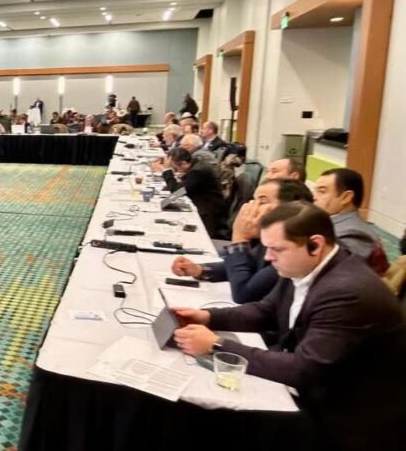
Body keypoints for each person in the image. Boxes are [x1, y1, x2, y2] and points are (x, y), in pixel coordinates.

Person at [171, 202, 406, 450]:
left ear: (315, 245)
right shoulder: (306, 266)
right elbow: (266, 311)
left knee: (204, 419)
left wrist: (216, 345)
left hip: (347, 419)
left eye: (277, 249)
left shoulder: (347, 291)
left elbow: (303, 369)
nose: (268, 257)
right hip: (318, 392)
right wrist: (207, 317)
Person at [172, 179, 314, 303]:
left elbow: (244, 293)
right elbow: (247, 265)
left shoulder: (292, 249)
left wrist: (239, 238)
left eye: (262, 201)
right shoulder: (268, 238)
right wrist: (199, 270)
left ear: (288, 209)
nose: (251, 207)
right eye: (253, 200)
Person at [312, 168, 389, 274]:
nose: (314, 197)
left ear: (346, 197)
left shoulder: (354, 234)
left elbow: (334, 274)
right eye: (315, 191)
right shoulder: (327, 223)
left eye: (322, 191)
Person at [153, 147, 227, 238]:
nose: (175, 171)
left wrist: (167, 170)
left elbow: (177, 192)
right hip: (204, 204)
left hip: (209, 214)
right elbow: (185, 185)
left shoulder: (197, 171)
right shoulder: (197, 163)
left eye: (175, 168)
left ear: (184, 163)